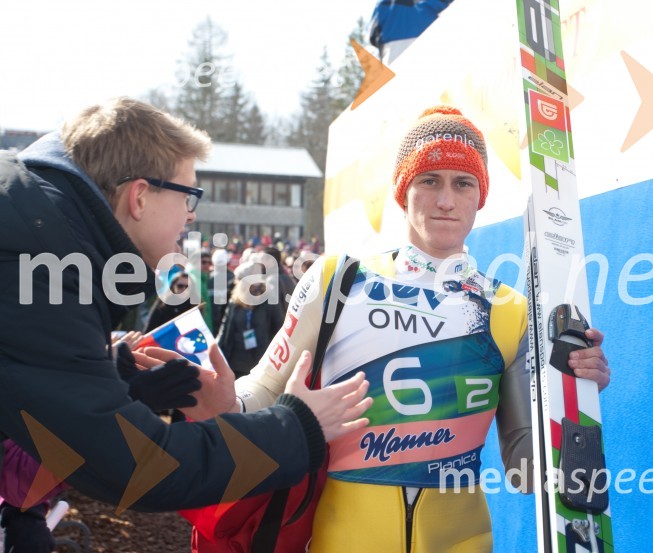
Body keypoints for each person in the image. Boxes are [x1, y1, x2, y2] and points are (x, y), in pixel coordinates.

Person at [217, 106, 611, 552]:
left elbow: (523, 472)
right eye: (429, 181)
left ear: (479, 197)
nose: (446, 200)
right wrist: (217, 400)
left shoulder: (509, 311)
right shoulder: (338, 281)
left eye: (463, 184)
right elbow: (263, 389)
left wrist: (572, 396)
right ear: (403, 191)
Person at [0, 97, 371, 513]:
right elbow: (140, 469)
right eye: (188, 195)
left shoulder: (40, 231)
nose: (191, 217)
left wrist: (111, 382)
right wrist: (299, 428)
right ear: (139, 197)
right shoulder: (39, 263)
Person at [216, 260, 283, 378]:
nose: (236, 282)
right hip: (236, 361)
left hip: (260, 362)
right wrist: (217, 352)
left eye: (239, 280)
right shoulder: (235, 302)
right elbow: (225, 329)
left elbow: (279, 328)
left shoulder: (269, 300)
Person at [369, 0, 454, 64]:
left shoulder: (383, 5)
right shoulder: (427, 2)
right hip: (429, 57)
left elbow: (372, 36)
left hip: (393, 57)